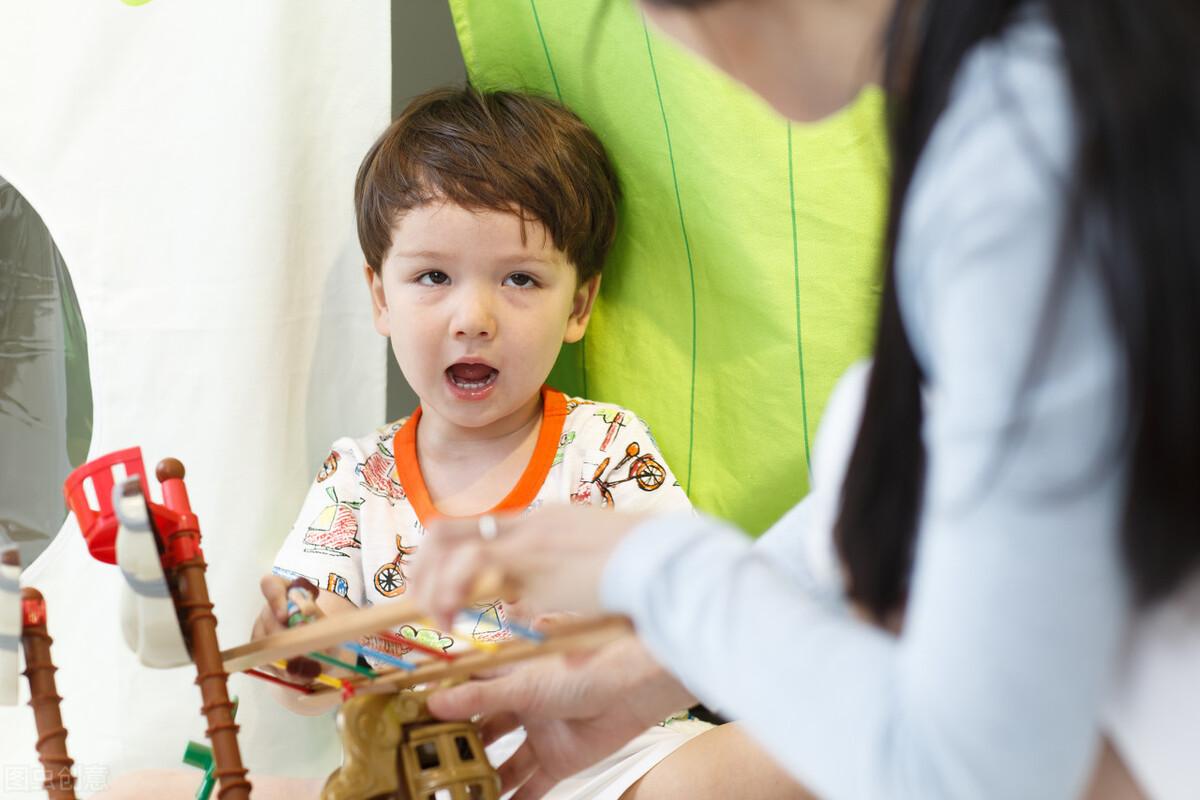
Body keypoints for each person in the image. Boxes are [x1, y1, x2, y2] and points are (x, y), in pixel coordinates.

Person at [412, 2, 1200, 799]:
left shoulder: (1024, 164)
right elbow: (948, 470)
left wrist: (650, 567)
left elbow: (969, 771)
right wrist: (650, 662)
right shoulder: (1026, 103)